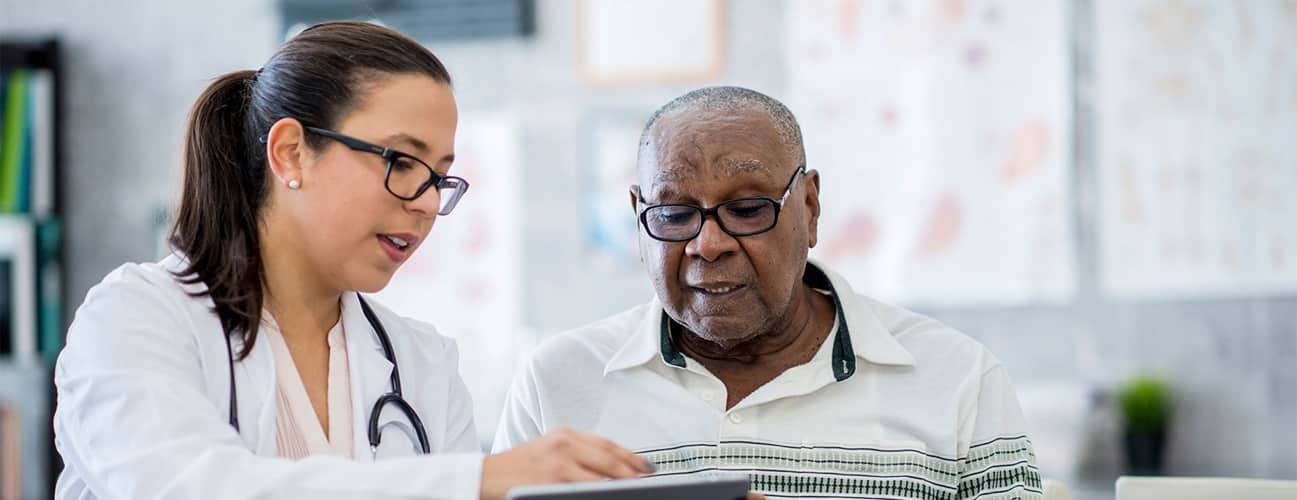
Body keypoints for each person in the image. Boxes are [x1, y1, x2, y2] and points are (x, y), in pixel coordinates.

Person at [52, 21, 651, 500]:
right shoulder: (136, 317)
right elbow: (187, 486)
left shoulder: (421, 361)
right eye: (401, 162)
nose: (424, 204)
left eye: (440, 177)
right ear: (291, 153)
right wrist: (475, 481)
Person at [493, 86, 1043, 499]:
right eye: (675, 213)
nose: (708, 244)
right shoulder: (558, 381)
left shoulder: (957, 378)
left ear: (809, 207)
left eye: (749, 209)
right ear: (639, 219)